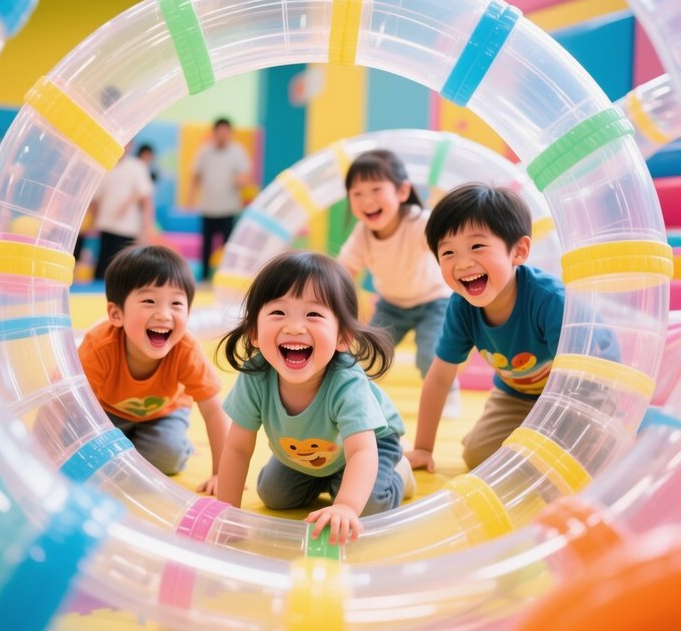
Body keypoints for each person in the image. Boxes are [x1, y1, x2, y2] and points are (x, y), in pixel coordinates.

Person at [216, 251, 415, 546]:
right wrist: (227, 513)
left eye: (313, 314)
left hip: (371, 442)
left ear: (343, 337)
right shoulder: (256, 375)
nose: (294, 327)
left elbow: (361, 452)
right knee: (273, 495)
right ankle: (329, 481)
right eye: (278, 313)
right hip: (307, 455)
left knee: (369, 506)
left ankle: (400, 472)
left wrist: (346, 506)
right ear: (255, 332)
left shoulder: (346, 381)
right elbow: (237, 448)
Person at [405, 183, 565, 472]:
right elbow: (440, 378)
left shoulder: (550, 300)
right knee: (478, 456)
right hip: (518, 394)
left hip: (577, 391)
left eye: (477, 246)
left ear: (518, 251)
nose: (464, 262)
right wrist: (422, 448)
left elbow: (574, 379)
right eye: (448, 253)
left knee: (577, 455)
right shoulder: (461, 306)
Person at [78, 245, 230, 494]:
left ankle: (181, 445)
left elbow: (214, 410)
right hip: (105, 413)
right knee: (92, 461)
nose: (164, 314)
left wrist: (220, 473)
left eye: (176, 303)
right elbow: (71, 409)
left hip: (165, 412)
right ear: (116, 314)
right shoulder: (98, 347)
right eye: (149, 301)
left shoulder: (186, 348)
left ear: (189, 313)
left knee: (166, 459)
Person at [337, 148, 461, 416]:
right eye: (357, 193)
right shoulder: (362, 234)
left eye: (376, 190)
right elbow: (344, 270)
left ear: (402, 192)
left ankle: (448, 394)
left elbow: (446, 248)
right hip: (391, 305)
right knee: (369, 355)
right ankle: (358, 398)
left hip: (433, 301)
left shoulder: (418, 222)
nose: (367, 200)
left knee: (431, 354)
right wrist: (333, 303)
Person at [190, 117, 251, 281]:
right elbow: (195, 175)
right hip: (208, 207)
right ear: (215, 133)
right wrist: (190, 198)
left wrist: (240, 181)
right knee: (206, 246)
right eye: (220, 132)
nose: (223, 135)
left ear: (230, 134)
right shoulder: (205, 151)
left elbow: (246, 176)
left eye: (226, 132)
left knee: (228, 247)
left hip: (228, 209)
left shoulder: (237, 152)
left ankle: (225, 277)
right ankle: (204, 277)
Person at [92, 150, 154, 281]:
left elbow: (146, 198)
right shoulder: (105, 167)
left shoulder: (137, 166)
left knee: (122, 268)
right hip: (106, 225)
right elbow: (96, 198)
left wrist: (147, 228)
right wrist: (93, 220)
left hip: (127, 228)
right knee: (103, 264)